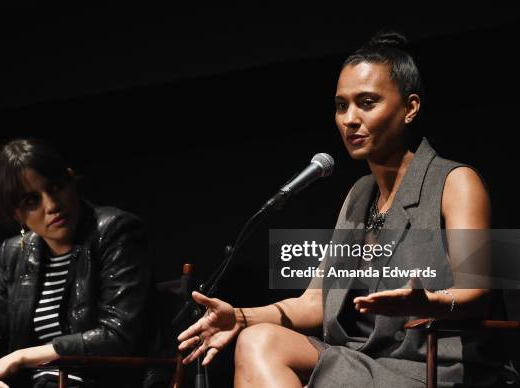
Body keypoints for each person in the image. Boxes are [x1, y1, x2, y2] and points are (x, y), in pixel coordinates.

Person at [178, 31, 510, 387]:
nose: (350, 119)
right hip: (366, 360)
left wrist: (427, 301)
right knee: (258, 339)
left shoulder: (456, 182)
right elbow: (316, 302)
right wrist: (240, 317)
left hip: (436, 368)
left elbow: (477, 296)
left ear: (410, 108)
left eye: (367, 103)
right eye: (341, 105)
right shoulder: (359, 194)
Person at [0, 138, 153, 388]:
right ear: (17, 214)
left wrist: (22, 357)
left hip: (100, 382)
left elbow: (118, 336)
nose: (51, 205)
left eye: (56, 187)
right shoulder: (15, 253)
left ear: (72, 180)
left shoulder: (116, 231)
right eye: (31, 201)